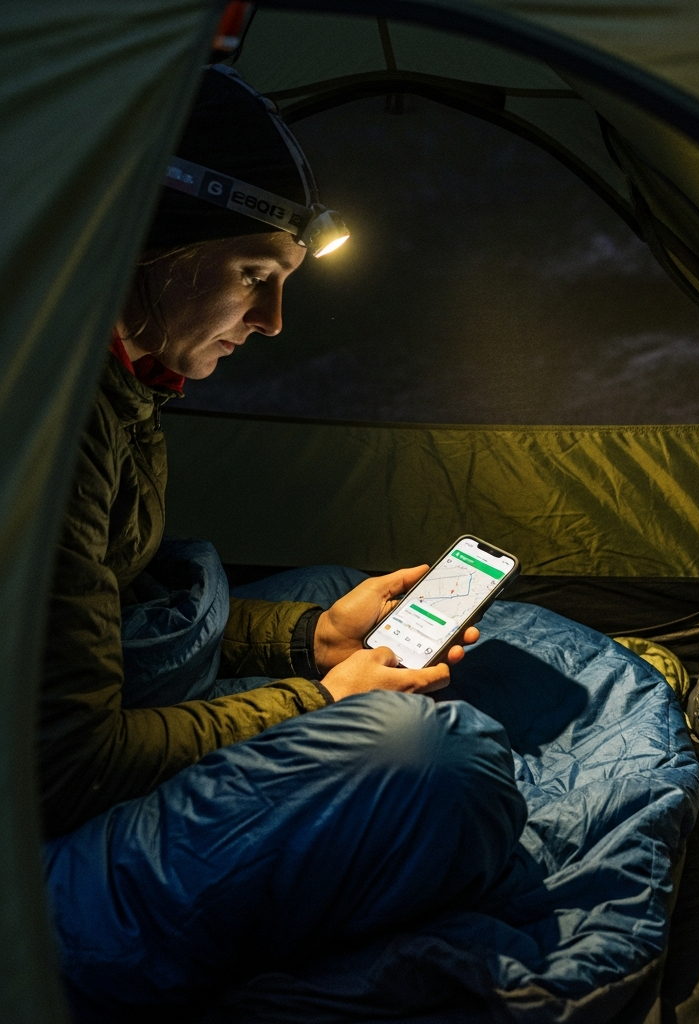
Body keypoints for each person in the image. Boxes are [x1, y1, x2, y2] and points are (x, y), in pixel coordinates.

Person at [41, 65, 526, 1013]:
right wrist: (321, 697)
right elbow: (69, 770)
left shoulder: (118, 375)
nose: (269, 323)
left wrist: (311, 641)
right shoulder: (50, 424)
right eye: (254, 278)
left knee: (339, 596)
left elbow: (111, 615)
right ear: (153, 243)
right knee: (444, 769)